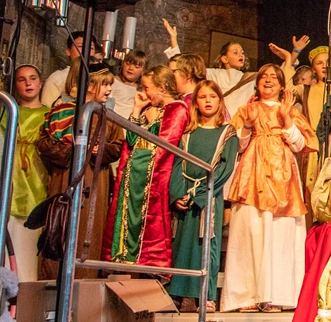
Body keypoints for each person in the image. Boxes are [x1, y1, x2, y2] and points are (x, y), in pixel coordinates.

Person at [222, 65, 315, 313]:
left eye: (274, 77)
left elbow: (301, 145)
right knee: (249, 231)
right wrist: (250, 125)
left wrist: (286, 120)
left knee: (280, 233)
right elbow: (236, 146)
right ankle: (247, 296)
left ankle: (276, 295)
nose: (268, 80)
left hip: (282, 175)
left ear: (283, 85)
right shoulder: (246, 110)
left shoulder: (291, 112)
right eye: (264, 76)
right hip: (252, 173)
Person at [35, 62, 122, 279]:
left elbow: (117, 146)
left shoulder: (108, 117)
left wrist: (97, 149)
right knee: (60, 229)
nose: (109, 89)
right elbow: (43, 144)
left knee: (89, 233)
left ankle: (84, 286)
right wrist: (71, 150)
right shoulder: (61, 113)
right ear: (89, 84)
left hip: (96, 182)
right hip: (64, 177)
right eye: (105, 84)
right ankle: (52, 287)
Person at [166, 81, 240, 313]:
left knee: (206, 243)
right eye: (203, 97)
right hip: (185, 195)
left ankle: (205, 296)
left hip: (208, 197)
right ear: (195, 103)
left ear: (220, 101)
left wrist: (199, 194)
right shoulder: (188, 133)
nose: (208, 101)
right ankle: (176, 293)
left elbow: (223, 170)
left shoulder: (227, 134)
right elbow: (177, 164)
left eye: (212, 97)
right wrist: (178, 194)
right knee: (181, 244)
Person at [106, 65, 190, 266]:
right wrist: (136, 109)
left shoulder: (177, 109)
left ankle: (148, 262)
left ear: (162, 87)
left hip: (151, 176)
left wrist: (153, 125)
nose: (144, 92)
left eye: (146, 87)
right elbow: (132, 139)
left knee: (148, 224)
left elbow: (165, 145)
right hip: (134, 173)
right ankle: (124, 258)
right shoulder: (148, 109)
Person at [162, 19, 307, 117]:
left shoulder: (249, 77)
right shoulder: (214, 74)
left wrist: (294, 53)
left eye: (242, 53)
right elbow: (186, 67)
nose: (241, 55)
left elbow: (279, 74)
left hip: (242, 120)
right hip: (218, 119)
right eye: (235, 52)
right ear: (224, 58)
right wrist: (174, 40)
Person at [4, 65, 50, 282]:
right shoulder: (7, 111)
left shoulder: (49, 114)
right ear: (15, 85)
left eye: (33, 78)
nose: (28, 83)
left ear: (41, 83)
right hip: (13, 181)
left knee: (31, 252)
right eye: (22, 79)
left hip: (37, 180)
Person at [39, 31, 92, 106]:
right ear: (68, 51)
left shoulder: (106, 78)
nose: (86, 51)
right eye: (80, 47)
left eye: (91, 48)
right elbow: (47, 109)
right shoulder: (57, 78)